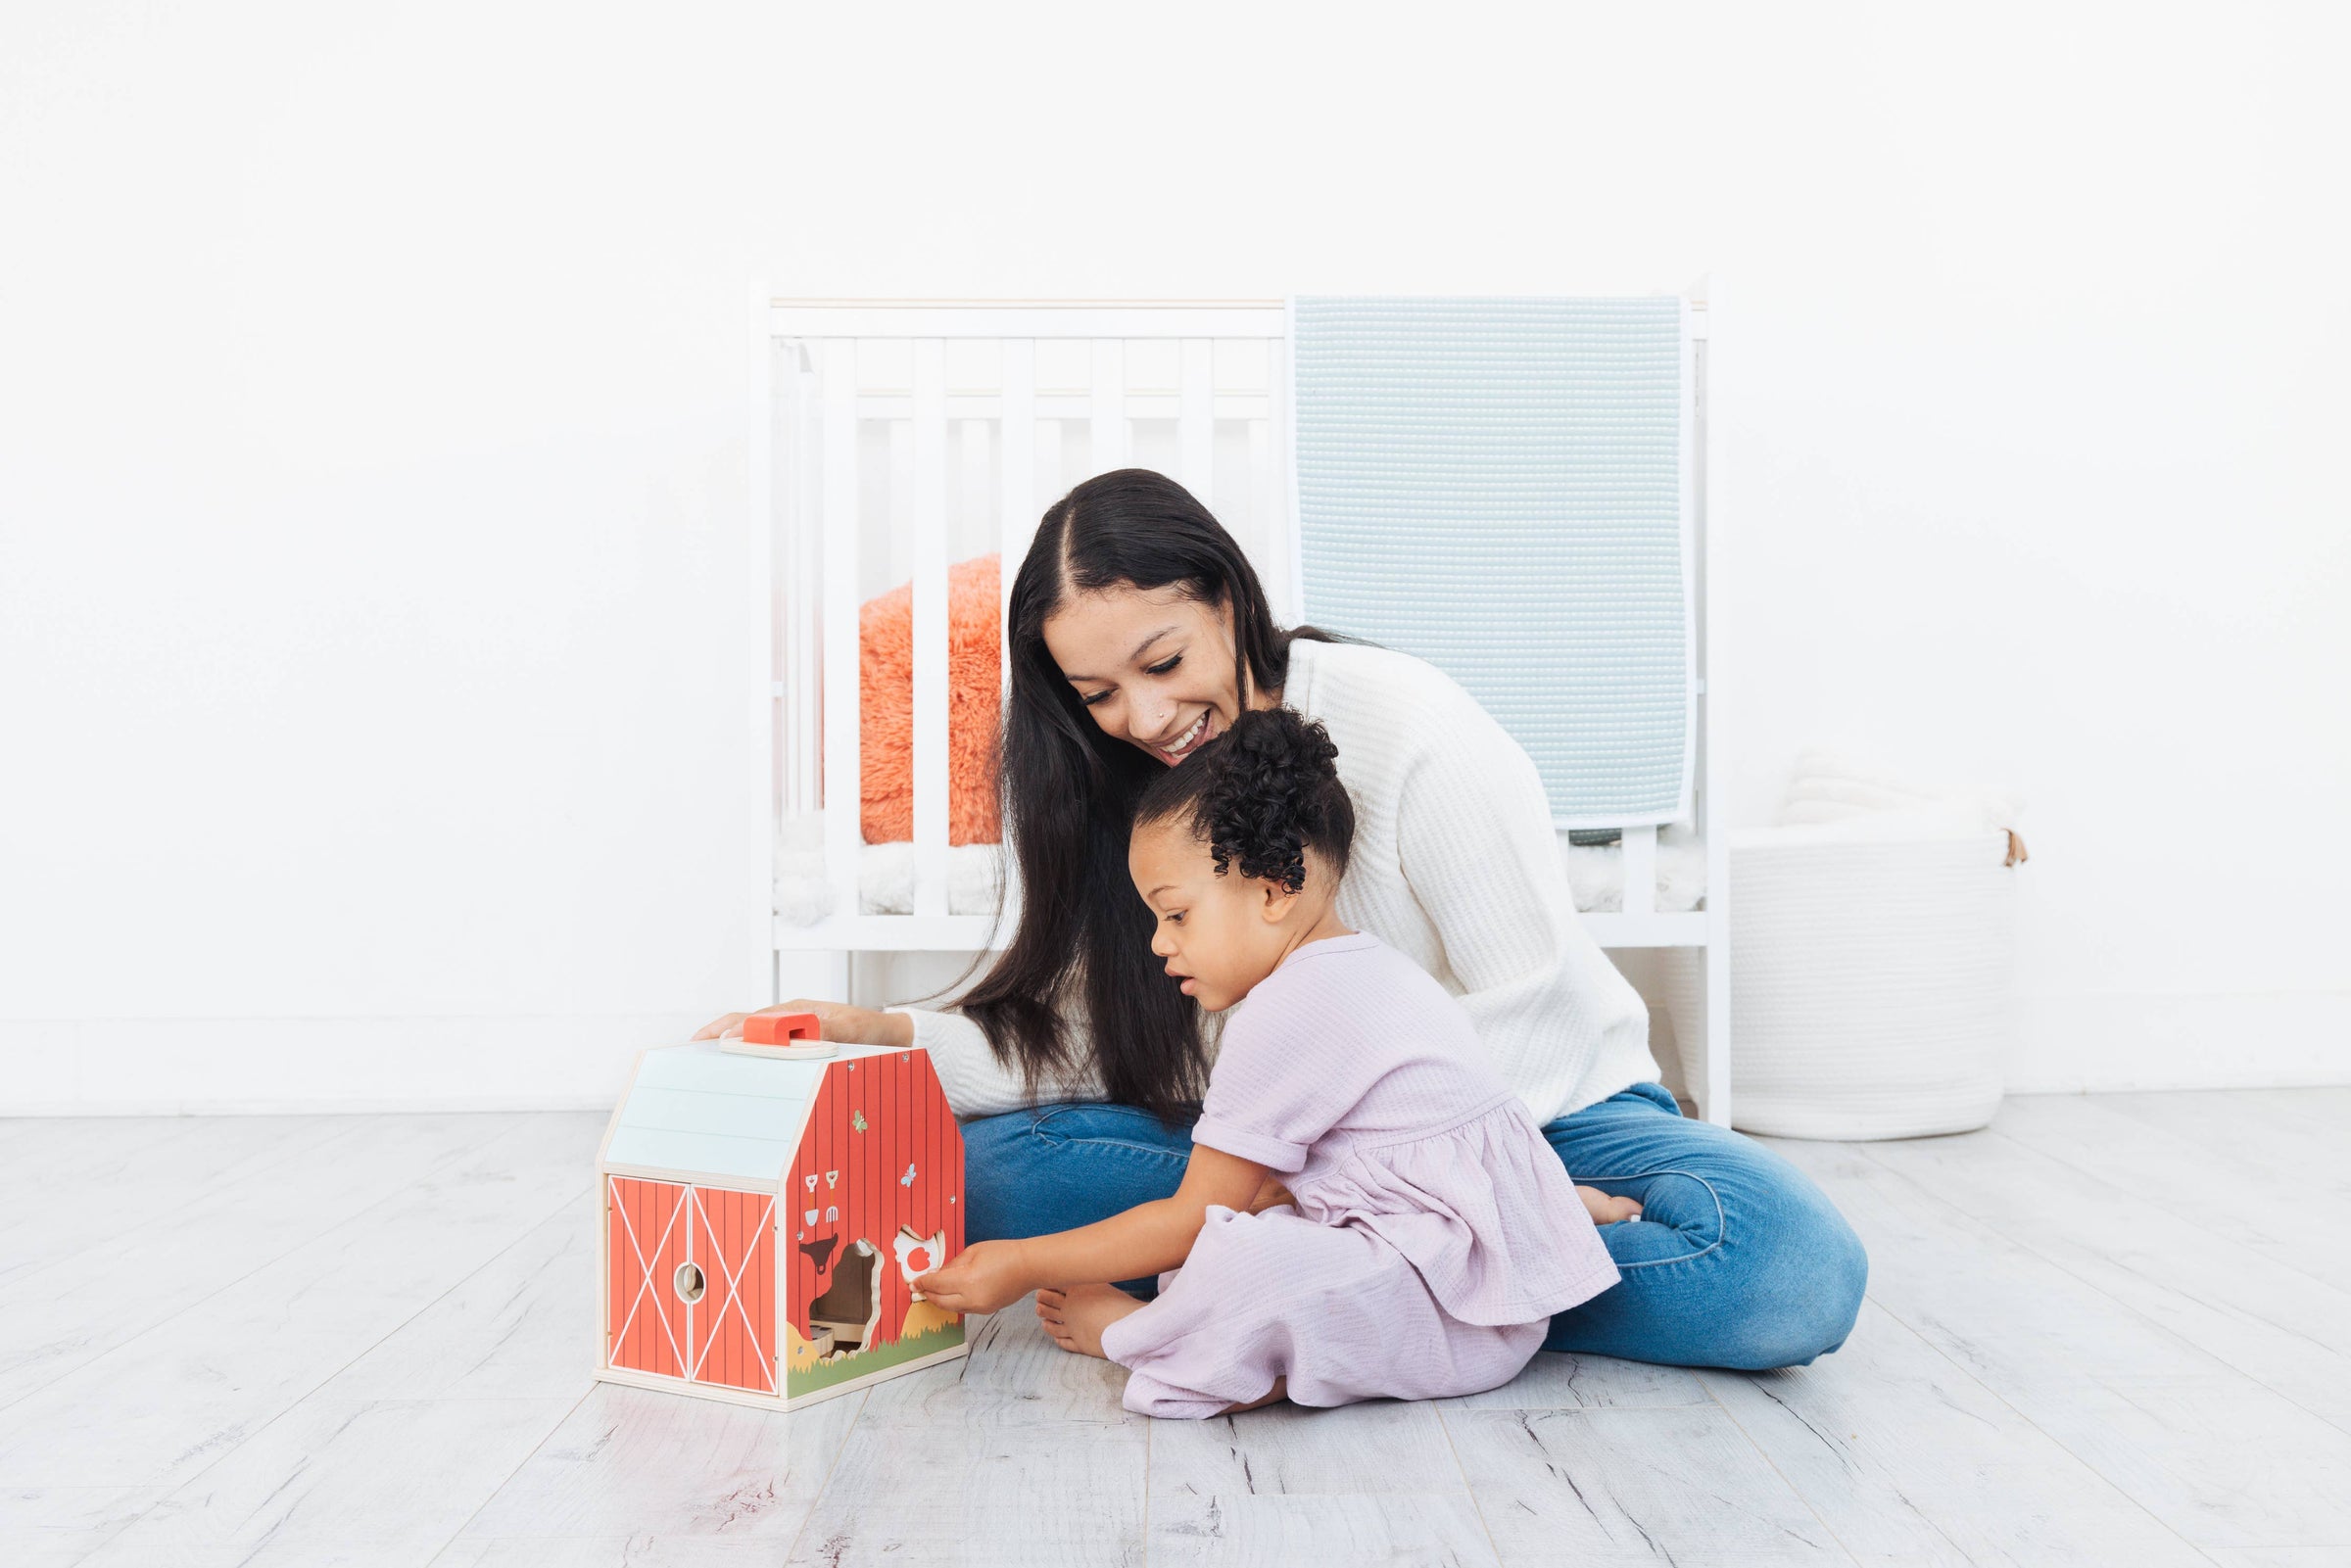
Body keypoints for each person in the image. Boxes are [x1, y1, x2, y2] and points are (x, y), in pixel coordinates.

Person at [697, 467, 1867, 1370]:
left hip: (1538, 1115)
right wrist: (873, 1030)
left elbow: (1536, 1007)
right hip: (1273, 1150)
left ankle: (1343, 1295)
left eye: (1163, 660)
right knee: (969, 1173)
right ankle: (1363, 1284)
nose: (1145, 715)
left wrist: (1428, 1193)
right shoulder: (1124, 787)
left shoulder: (1414, 729)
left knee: (1787, 1268)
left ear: (1226, 595)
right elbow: (1098, 1033)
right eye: (1099, 693)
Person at [910, 706, 1627, 1416]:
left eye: (1176, 914)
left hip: (1450, 1311)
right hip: (1466, 1266)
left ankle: (1137, 1337)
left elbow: (1190, 1215)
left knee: (1239, 1259)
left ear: (1274, 890)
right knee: (1248, 1218)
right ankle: (1553, 1217)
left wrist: (1021, 1260)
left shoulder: (1287, 1007)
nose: (1159, 944)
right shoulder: (1375, 966)